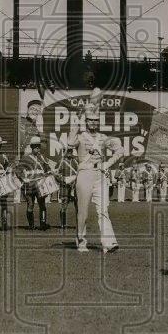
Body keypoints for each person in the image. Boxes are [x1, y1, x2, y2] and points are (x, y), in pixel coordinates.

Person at [65, 104, 121, 253]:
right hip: (85, 174)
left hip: (100, 175)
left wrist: (108, 164)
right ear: (86, 121)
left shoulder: (103, 138)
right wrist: (77, 122)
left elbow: (119, 150)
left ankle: (108, 243)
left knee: (103, 209)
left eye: (96, 121)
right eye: (90, 120)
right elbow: (70, 143)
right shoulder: (80, 137)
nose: (93, 123)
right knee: (83, 211)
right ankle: (81, 242)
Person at [17, 136, 51, 231]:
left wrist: (48, 173)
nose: (38, 148)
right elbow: (18, 170)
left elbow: (47, 169)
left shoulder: (43, 158)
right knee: (30, 204)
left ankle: (43, 224)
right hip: (29, 185)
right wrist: (23, 179)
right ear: (32, 147)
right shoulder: (25, 158)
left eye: (38, 146)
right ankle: (31, 225)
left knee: (42, 204)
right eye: (35, 147)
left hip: (40, 185)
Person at [55, 143, 79, 232]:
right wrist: (63, 180)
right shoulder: (60, 162)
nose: (69, 153)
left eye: (70, 151)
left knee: (78, 206)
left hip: (75, 187)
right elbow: (56, 175)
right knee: (63, 206)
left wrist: (74, 181)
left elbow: (79, 173)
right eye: (67, 151)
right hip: (64, 187)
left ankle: (79, 224)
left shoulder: (75, 161)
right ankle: (63, 224)